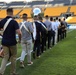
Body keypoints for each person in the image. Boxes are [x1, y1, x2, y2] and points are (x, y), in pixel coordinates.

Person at [0, 8, 22, 75]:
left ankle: (1, 72)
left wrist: (2, 35)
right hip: (12, 42)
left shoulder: (2, 21)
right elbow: (19, 32)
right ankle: (12, 72)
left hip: (4, 42)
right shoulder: (14, 22)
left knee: (5, 57)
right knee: (13, 57)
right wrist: (20, 40)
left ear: (6, 12)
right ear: (12, 13)